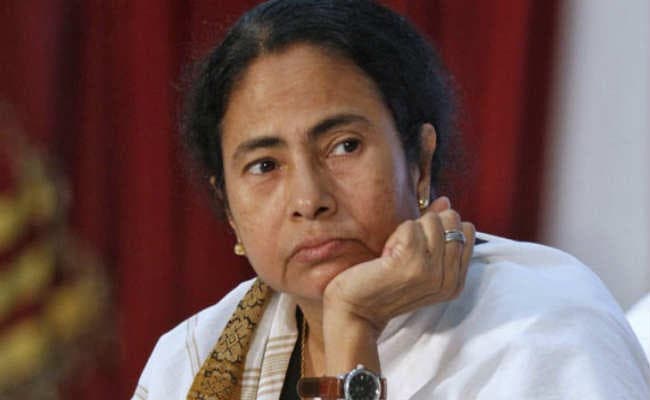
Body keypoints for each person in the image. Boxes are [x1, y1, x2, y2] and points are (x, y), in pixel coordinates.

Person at [132, 1, 650, 399]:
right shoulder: (188, 364)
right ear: (228, 207)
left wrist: (352, 324)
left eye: (344, 146)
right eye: (265, 166)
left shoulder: (539, 329)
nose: (309, 199)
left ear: (419, 160)